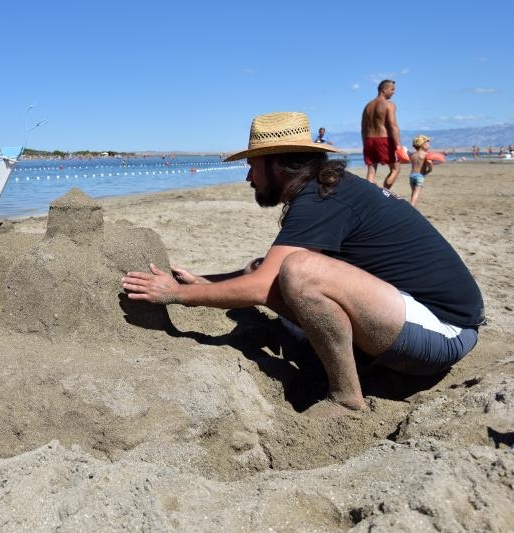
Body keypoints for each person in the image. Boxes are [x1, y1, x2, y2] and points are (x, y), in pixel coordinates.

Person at [121, 112, 484, 417]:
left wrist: (177, 296)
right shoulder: (326, 187)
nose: (249, 178)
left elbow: (263, 287)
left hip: (443, 331)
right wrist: (200, 282)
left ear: (277, 163)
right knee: (276, 267)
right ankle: (360, 371)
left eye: (252, 167)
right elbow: (262, 272)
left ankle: (346, 397)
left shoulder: (323, 197)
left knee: (299, 272)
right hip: (415, 319)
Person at [361, 80, 403, 188]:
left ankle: (368, 196)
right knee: (396, 169)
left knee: (371, 171)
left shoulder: (368, 106)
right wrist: (399, 146)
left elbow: (363, 128)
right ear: (384, 90)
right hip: (384, 139)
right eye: (392, 89)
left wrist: (365, 143)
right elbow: (393, 126)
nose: (394, 92)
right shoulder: (389, 105)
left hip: (369, 140)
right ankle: (385, 193)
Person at [408, 135, 433, 207]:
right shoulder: (425, 154)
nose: (429, 144)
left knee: (413, 193)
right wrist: (429, 170)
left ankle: (411, 207)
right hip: (420, 176)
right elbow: (429, 163)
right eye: (427, 142)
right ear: (422, 144)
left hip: (411, 176)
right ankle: (411, 209)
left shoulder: (413, 155)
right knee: (416, 194)